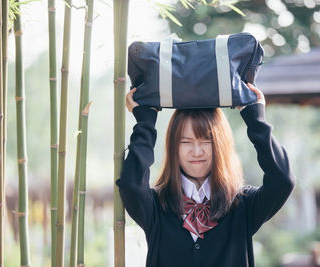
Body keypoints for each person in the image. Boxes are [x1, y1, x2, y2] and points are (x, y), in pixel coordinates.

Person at [116, 83, 296, 267]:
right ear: (173, 148)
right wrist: (145, 121)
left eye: (206, 141)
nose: (196, 151)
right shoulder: (156, 206)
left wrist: (255, 117)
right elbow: (131, 185)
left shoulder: (243, 205)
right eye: (186, 142)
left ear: (220, 145)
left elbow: (282, 180)